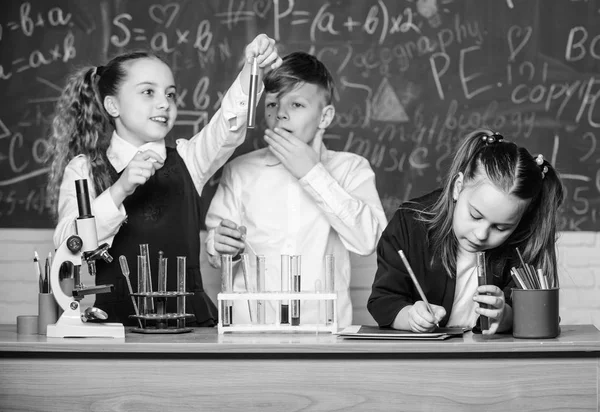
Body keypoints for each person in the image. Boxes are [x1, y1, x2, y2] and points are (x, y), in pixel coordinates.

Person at [47, 34, 282, 326]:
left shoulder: (189, 158)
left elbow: (228, 125)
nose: (164, 103)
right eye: (148, 92)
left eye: (170, 94)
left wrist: (251, 70)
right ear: (112, 106)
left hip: (190, 324)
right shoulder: (84, 168)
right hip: (116, 327)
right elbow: (68, 246)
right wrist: (119, 189)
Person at [205, 51, 387, 328]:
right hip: (248, 333)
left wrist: (312, 174)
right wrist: (221, 245)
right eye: (272, 104)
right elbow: (217, 251)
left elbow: (368, 241)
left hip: (324, 334)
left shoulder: (351, 169)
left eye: (297, 104)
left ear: (324, 117)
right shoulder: (239, 170)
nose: (281, 114)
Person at [367, 129, 564, 335]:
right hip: (423, 361)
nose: (481, 234)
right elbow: (383, 300)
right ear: (457, 187)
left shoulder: (524, 239)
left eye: (500, 227)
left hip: (494, 360)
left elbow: (542, 315)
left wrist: (505, 316)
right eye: (475, 215)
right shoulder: (411, 222)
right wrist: (410, 317)